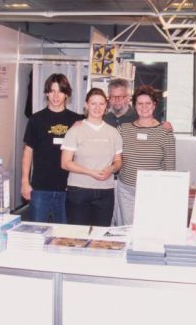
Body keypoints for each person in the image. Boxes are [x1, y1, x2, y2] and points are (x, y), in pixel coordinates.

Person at [21, 73, 83, 223]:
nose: (56, 96)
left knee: (65, 235)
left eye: (60, 91)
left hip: (68, 187)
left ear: (66, 94)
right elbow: (28, 151)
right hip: (41, 187)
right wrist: (24, 181)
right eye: (52, 91)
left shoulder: (76, 120)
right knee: (36, 231)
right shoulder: (36, 119)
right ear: (46, 93)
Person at [115, 85, 176, 226]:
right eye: (140, 103)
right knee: (127, 228)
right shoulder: (123, 129)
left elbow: (170, 166)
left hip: (154, 191)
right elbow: (105, 142)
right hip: (126, 191)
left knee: (149, 228)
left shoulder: (165, 132)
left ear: (154, 105)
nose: (144, 107)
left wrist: (167, 194)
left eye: (148, 103)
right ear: (134, 106)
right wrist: (82, 122)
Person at [61, 88, 123, 226]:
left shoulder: (113, 133)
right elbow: (65, 163)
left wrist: (111, 168)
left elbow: (118, 161)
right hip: (78, 190)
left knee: (100, 235)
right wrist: (90, 172)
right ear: (86, 105)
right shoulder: (75, 131)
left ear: (106, 106)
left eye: (101, 104)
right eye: (93, 103)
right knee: (78, 236)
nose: (97, 108)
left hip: (105, 191)